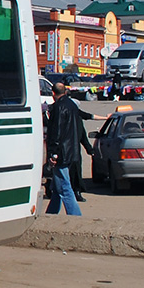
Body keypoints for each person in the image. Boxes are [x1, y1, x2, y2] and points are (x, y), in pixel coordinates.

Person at [45, 82, 87, 215]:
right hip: (71, 151)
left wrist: (53, 154)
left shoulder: (58, 107)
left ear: (53, 94)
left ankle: (76, 215)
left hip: (61, 152)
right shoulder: (72, 105)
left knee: (64, 187)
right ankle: (51, 214)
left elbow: (56, 132)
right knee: (57, 187)